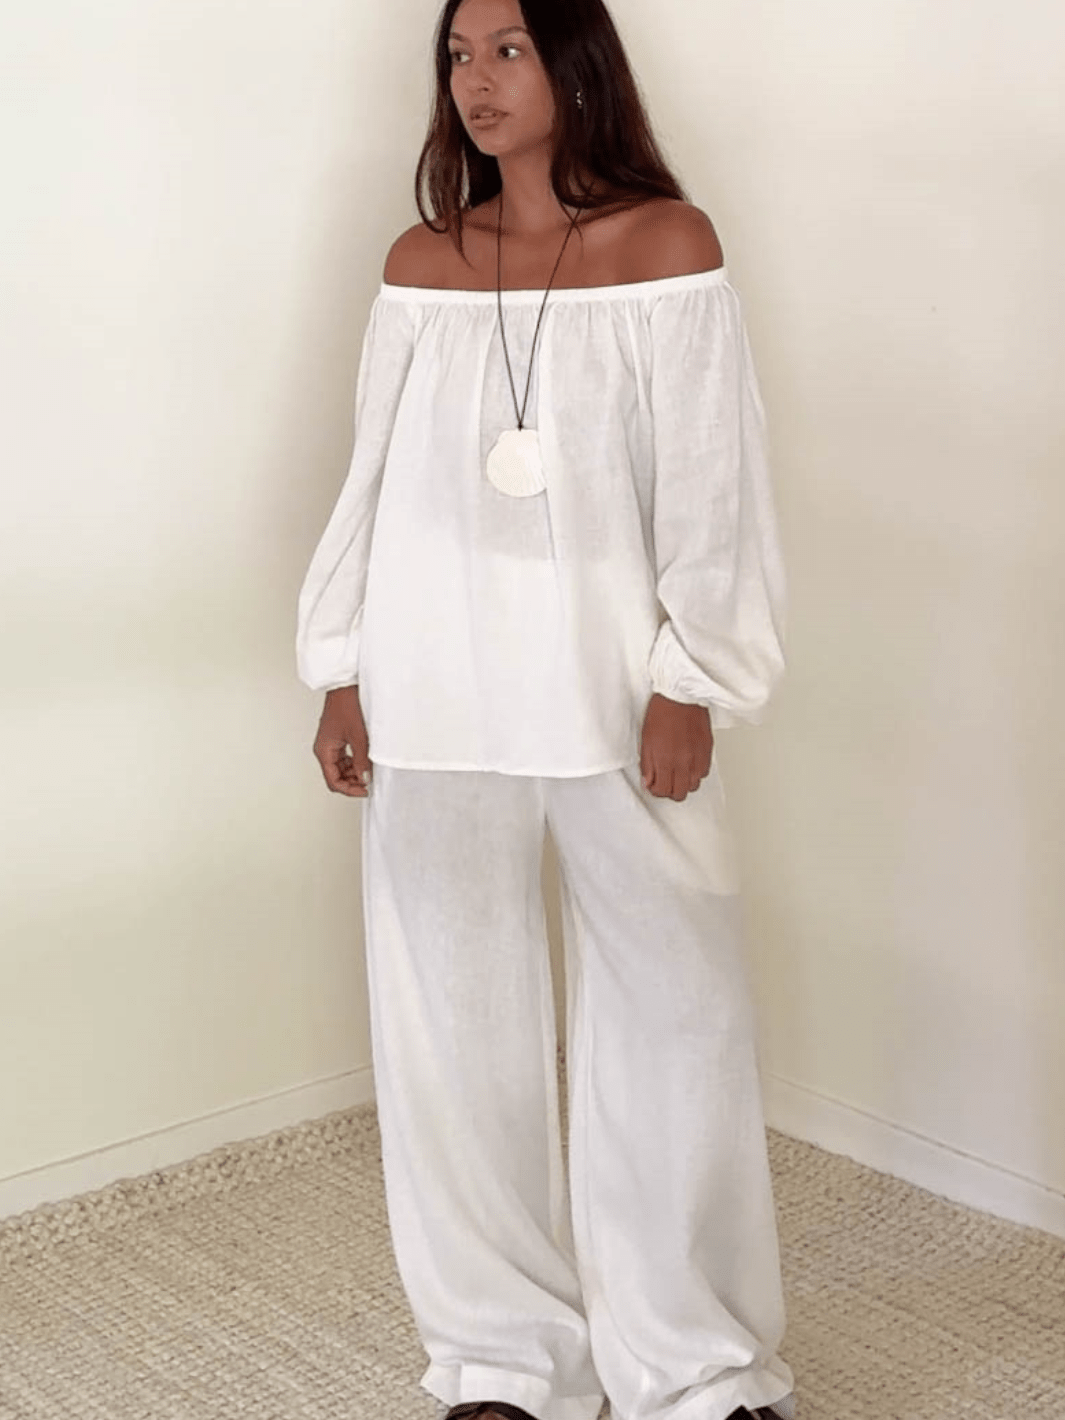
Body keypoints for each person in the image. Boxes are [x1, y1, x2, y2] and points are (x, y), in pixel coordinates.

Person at [296, 1, 796, 1418]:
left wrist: (692, 677)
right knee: (449, 1021)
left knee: (675, 1008)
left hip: (615, 688)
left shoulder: (667, 247)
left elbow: (714, 485)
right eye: (459, 55)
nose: (477, 80)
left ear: (579, 64)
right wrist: (341, 665)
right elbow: (372, 482)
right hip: (430, 680)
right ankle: (500, 1357)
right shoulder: (422, 264)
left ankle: (698, 1367)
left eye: (509, 49)